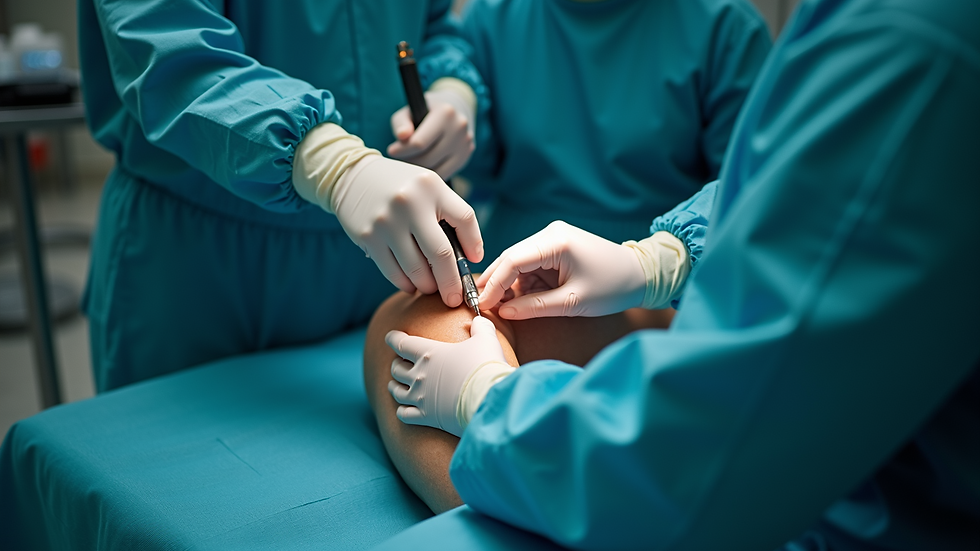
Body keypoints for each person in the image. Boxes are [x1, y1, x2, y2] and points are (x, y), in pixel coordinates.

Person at [381, 0, 980, 548]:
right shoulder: (877, 30)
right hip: (687, 450)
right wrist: (665, 255)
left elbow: (690, 464)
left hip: (806, 508)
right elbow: (797, 190)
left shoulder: (912, 52)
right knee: (413, 323)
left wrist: (491, 402)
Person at [78, 0, 487, 391]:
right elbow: (168, 47)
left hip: (379, 259)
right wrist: (333, 163)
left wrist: (451, 87)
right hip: (199, 269)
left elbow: (433, 26)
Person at [391, 0, 773, 266]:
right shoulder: (493, 15)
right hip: (508, 263)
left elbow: (747, 197)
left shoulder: (726, 27)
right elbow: (482, 162)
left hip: (660, 273)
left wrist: (659, 268)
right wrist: (457, 104)